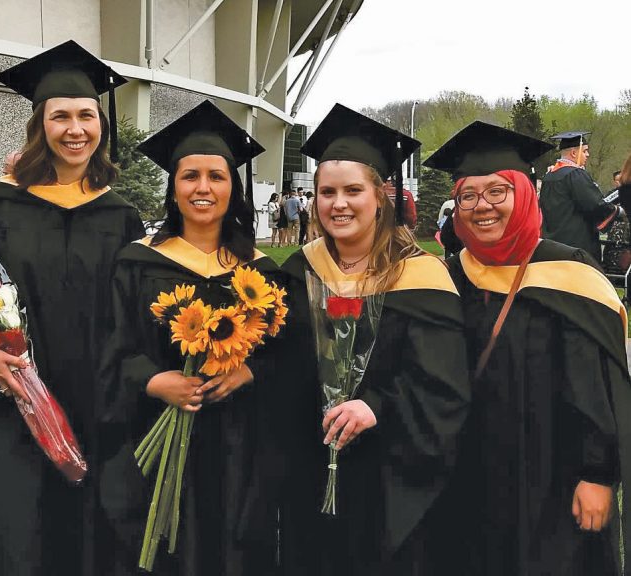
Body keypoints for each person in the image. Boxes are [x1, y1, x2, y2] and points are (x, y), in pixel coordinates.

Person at [0, 40, 144, 576]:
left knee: (88, 542)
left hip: (95, 405)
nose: (75, 129)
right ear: (39, 124)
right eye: (61, 116)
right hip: (7, 405)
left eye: (86, 116)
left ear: (101, 124)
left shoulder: (120, 218)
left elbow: (138, 317)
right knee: (11, 540)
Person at [424, 120, 631, 576]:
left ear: (524, 195)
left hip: (551, 475)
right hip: (467, 474)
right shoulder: (447, 277)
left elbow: (592, 384)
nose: (483, 207)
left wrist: (597, 474)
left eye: (498, 192)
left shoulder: (567, 271)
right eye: (468, 196)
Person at [280, 103, 470, 576]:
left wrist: (377, 406)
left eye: (352, 191)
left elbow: (444, 384)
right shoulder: (296, 272)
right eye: (326, 192)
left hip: (390, 471)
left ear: (381, 196)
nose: (337, 204)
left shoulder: (422, 277)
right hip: (308, 463)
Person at [98, 100, 282, 575]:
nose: (203, 188)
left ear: (232, 188)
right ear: (173, 188)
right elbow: (111, 343)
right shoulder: (138, 262)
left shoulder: (261, 272)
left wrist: (248, 370)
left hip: (238, 447)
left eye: (216, 176)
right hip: (153, 432)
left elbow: (290, 353)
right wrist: (154, 381)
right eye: (190, 176)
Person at [539, 131, 621, 263]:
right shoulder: (575, 174)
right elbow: (594, 205)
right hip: (576, 246)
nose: (588, 155)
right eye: (585, 151)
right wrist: (617, 211)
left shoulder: (550, 176)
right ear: (573, 153)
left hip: (553, 244)